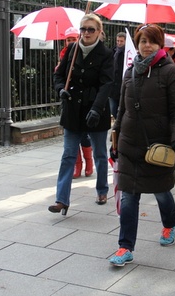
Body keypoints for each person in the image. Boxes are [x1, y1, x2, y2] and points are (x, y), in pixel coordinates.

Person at [109, 24, 175, 266]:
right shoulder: (130, 72)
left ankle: (169, 224)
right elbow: (122, 109)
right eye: (142, 41)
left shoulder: (170, 72)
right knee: (129, 198)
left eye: (152, 41)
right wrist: (115, 137)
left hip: (157, 146)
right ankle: (125, 247)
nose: (146, 45)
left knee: (162, 192)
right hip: (129, 145)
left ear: (160, 44)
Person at [50, 13, 114, 215]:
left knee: (100, 155)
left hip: (95, 110)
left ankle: (102, 190)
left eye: (91, 29)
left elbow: (107, 84)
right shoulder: (71, 49)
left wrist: (97, 108)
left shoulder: (106, 53)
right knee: (68, 155)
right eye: (83, 29)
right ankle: (62, 199)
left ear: (99, 32)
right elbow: (58, 75)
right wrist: (61, 89)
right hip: (73, 110)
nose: (86, 33)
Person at [54, 27, 94, 179]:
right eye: (68, 40)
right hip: (68, 101)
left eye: (73, 39)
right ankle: (77, 165)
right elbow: (58, 77)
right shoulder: (64, 55)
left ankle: (89, 162)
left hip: (82, 101)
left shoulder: (83, 54)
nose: (70, 42)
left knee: (84, 135)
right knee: (70, 135)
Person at [109, 32, 126, 119]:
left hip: (121, 84)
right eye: (118, 41)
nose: (119, 43)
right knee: (113, 109)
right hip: (113, 85)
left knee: (121, 109)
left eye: (121, 41)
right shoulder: (113, 51)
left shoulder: (127, 53)